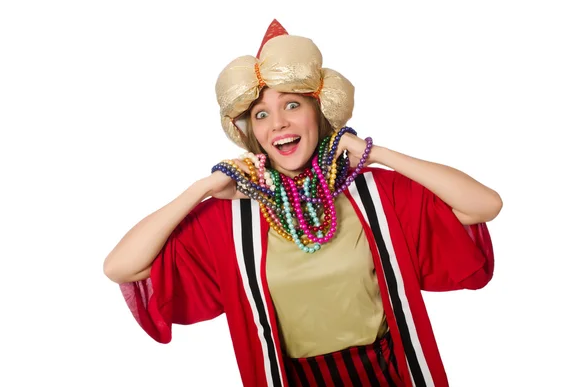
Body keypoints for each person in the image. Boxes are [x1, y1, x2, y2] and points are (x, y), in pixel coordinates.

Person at [103, 19, 502, 387]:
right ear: (253, 134)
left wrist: (374, 153)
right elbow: (121, 266)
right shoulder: (232, 217)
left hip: (389, 373)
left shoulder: (373, 193)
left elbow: (484, 205)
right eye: (261, 114)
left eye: (292, 105)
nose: (278, 123)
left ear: (319, 113)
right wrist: (203, 188)